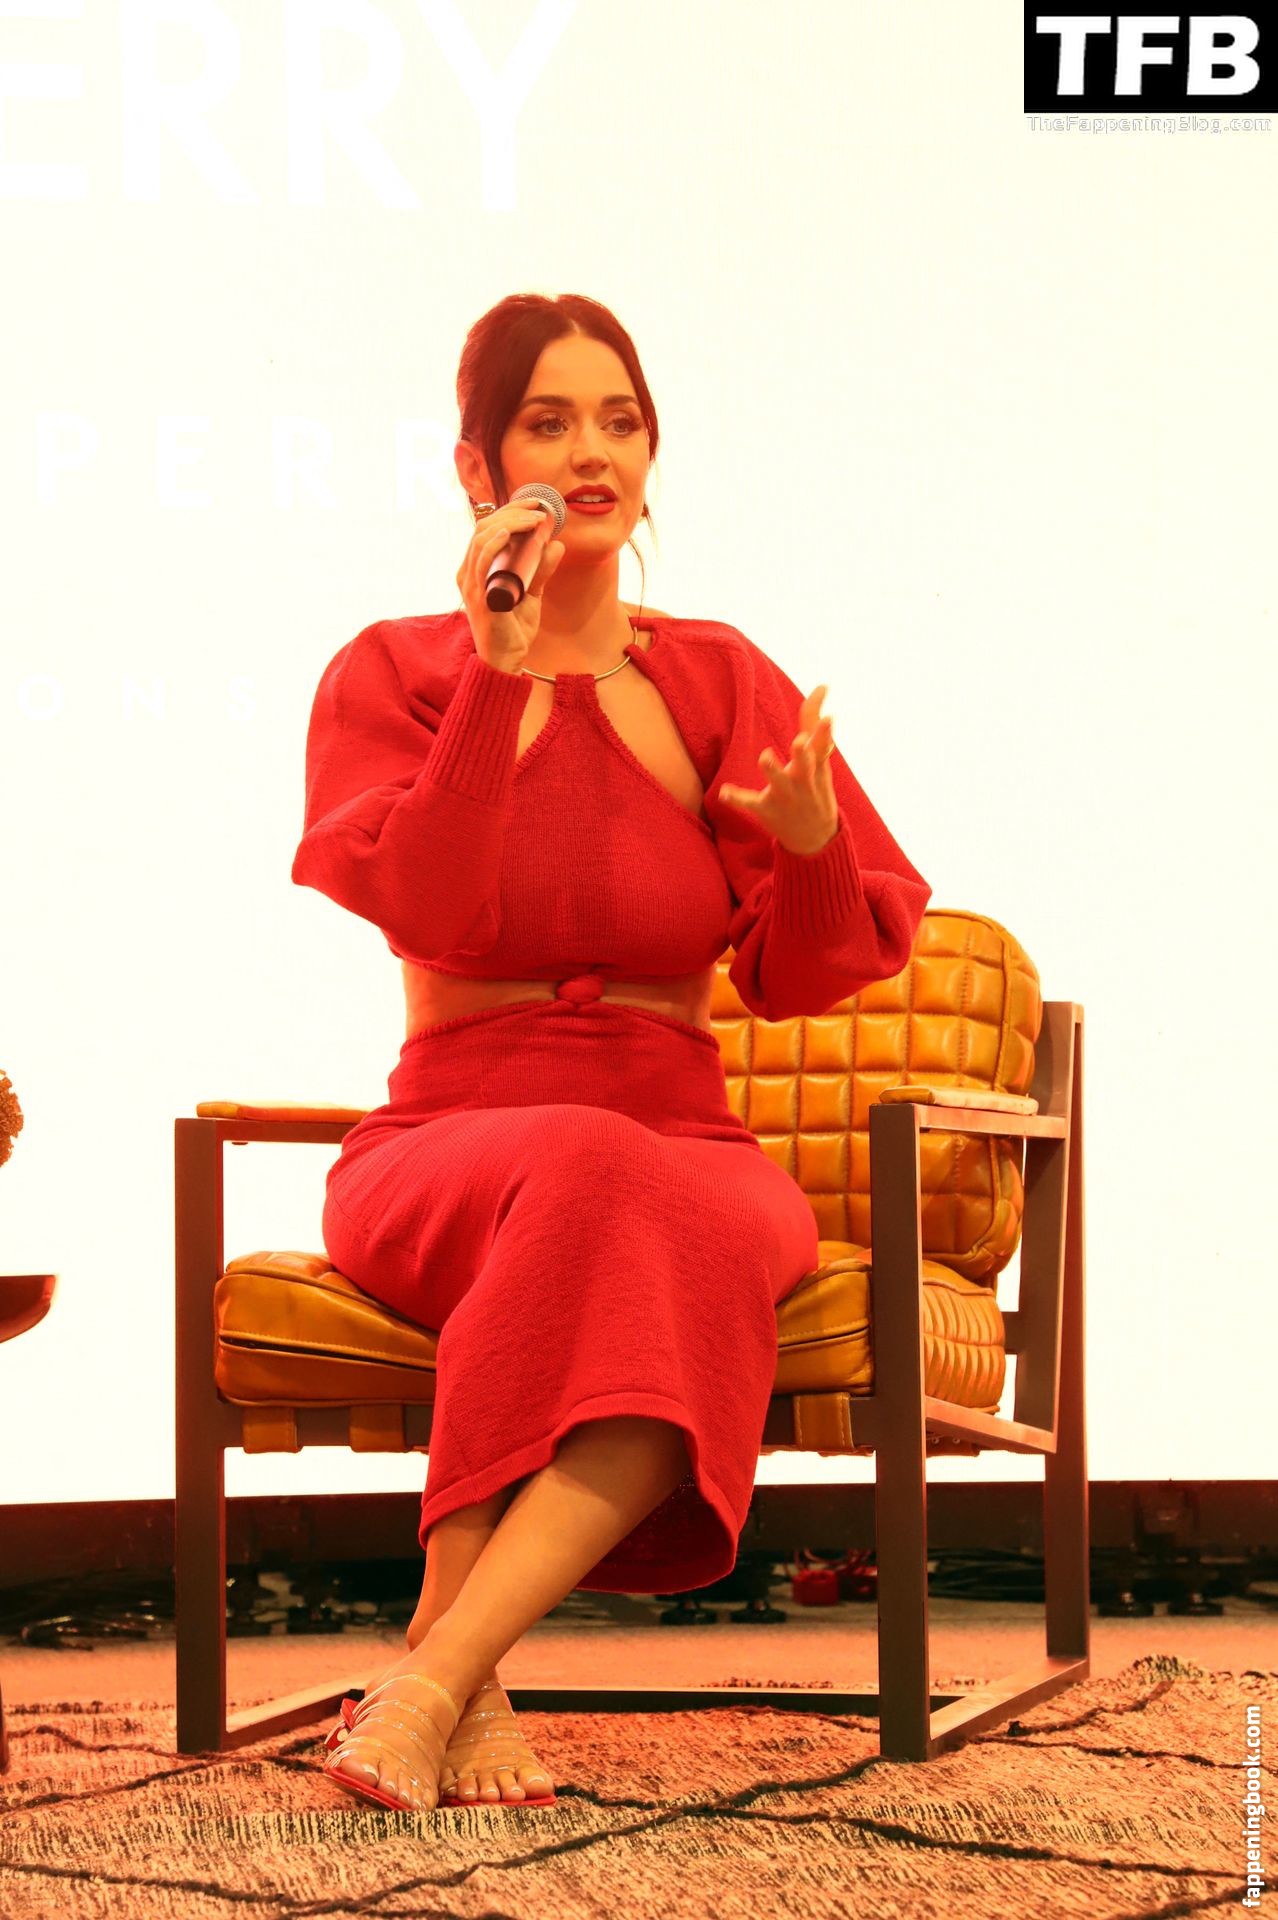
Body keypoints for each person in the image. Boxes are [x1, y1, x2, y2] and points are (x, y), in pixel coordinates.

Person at [293, 293, 933, 1814]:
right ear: (476, 467)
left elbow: (803, 973)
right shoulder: (394, 672)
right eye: (548, 422)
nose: (591, 453)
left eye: (619, 422)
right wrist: (498, 668)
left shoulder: (717, 676)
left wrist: (810, 847)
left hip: (688, 1140)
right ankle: (453, 1683)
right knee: (593, 1172)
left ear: (652, 459)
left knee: (660, 1210)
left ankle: (436, 1677)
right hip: (447, 1143)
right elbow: (431, 906)